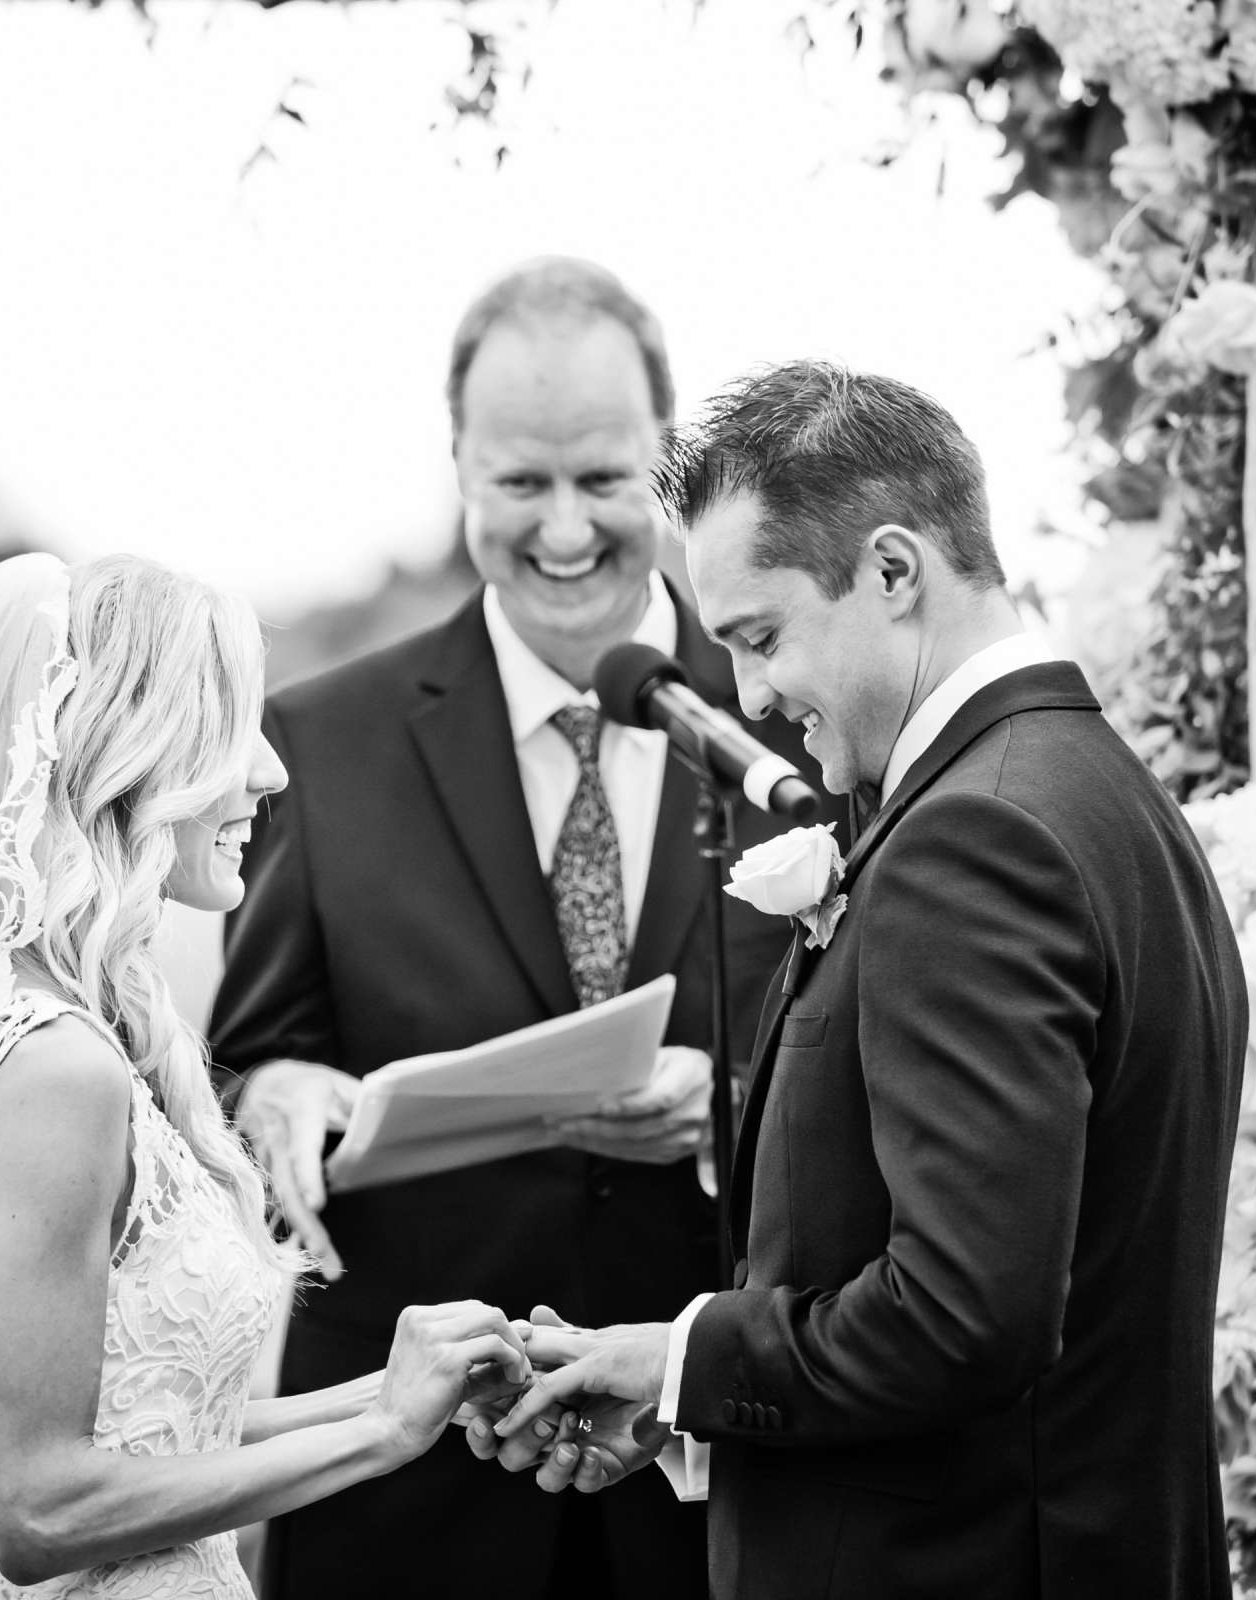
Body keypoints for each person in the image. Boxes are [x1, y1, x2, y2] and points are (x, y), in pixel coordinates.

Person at [485, 363, 1250, 1599]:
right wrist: (687, 1402)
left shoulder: (974, 839)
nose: (748, 697)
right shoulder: (1098, 793)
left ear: (895, 572)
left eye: (761, 634)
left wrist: (685, 1359)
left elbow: (961, 1316)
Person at [205, 259, 844, 1600]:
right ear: (459, 468)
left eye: (604, 480)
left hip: (723, 1479)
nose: (564, 530)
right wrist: (276, 1093)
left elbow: (892, 1068)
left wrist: (724, 1109)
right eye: (519, 483)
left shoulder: (803, 724)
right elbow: (246, 1053)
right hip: (408, 1495)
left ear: (666, 464)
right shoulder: (319, 743)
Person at [0, 552, 533, 1599]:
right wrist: (381, 1433)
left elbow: (147, 1419)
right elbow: (36, 1506)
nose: (271, 771)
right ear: (128, 750)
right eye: (227, 726)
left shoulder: (63, 1035)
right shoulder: (57, 1071)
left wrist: (391, 1393)